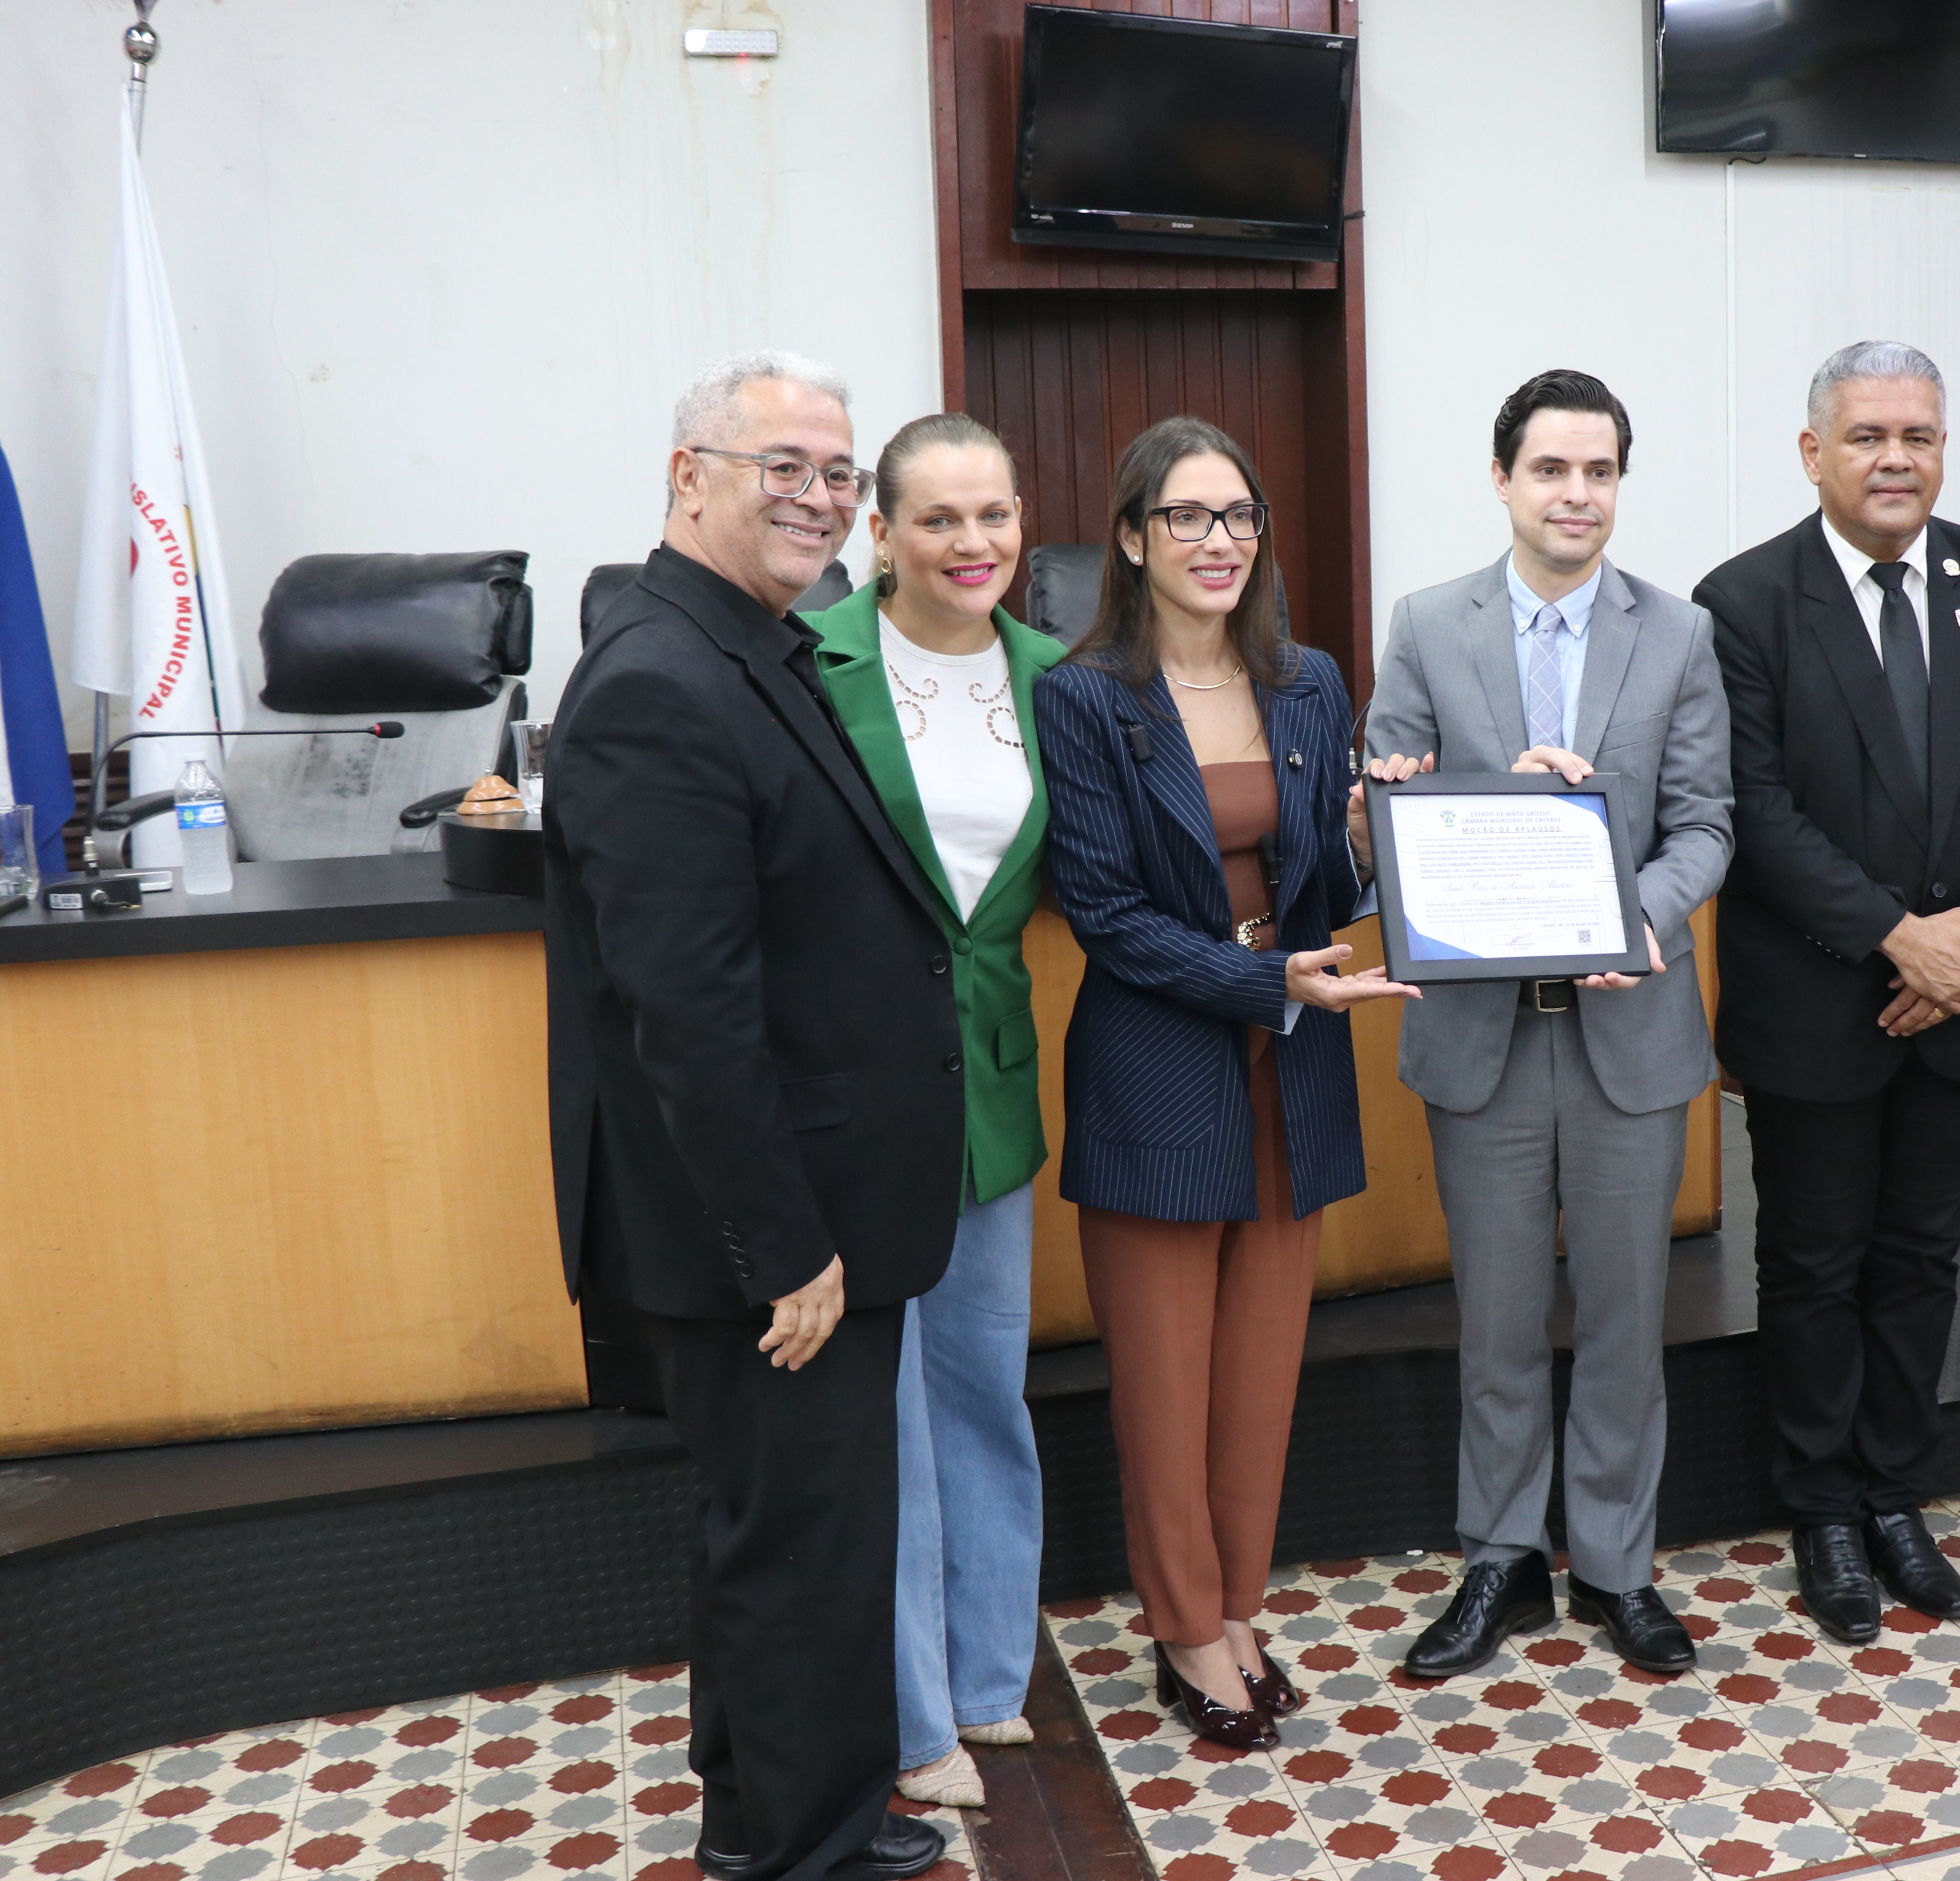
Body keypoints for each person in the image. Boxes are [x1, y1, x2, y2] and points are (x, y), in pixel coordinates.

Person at [546, 351, 957, 1881]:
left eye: (838, 473)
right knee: (800, 1557)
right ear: (689, 476)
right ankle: (799, 1855)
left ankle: (791, 1820)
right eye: (783, 465)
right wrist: (785, 1249)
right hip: (771, 1242)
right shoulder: (658, 682)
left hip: (806, 1214)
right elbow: (691, 1017)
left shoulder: (745, 645)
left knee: (796, 1546)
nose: (819, 497)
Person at [1694, 342, 1960, 1646]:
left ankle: (1895, 1494)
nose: (1895, 459)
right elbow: (1754, 808)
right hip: (1820, 1004)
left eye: (1918, 435)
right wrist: (1897, 940)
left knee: (1924, 1258)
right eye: (1868, 435)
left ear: (1944, 448)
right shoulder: (1745, 601)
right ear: (1814, 452)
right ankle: (1821, 1507)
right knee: (1813, 1264)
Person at [1031, 416, 1415, 1752]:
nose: (1220, 540)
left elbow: (1324, 887)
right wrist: (1269, 984)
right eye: (1187, 516)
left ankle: (1239, 1606)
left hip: (1290, 1067)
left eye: (1239, 515)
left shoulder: (1308, 682)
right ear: (1132, 539)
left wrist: (1363, 842)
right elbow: (1105, 914)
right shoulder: (1085, 696)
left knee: (1258, 1375)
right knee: (1164, 1379)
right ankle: (1186, 1625)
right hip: (1161, 1063)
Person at [1362, 371, 1734, 1679]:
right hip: (1487, 1036)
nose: (1577, 494)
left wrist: (1638, 918)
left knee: (1628, 1320)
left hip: (1631, 1030)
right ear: (1503, 479)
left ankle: (1619, 1566)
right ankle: (1503, 1559)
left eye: (1600, 471)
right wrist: (1445, 799)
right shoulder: (1426, 624)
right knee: (1500, 1321)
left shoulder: (1678, 633)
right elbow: (1385, 817)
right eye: (1552, 469)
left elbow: (1706, 826)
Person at [802, 413, 1060, 1809]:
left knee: (982, 1390)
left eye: (994, 515)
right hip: (854, 1091)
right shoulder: (809, 661)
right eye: (939, 519)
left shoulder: (1057, 676)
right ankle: (912, 1718)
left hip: (992, 1086)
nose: (973, 544)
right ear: (882, 533)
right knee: (884, 1414)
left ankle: (986, 1675)